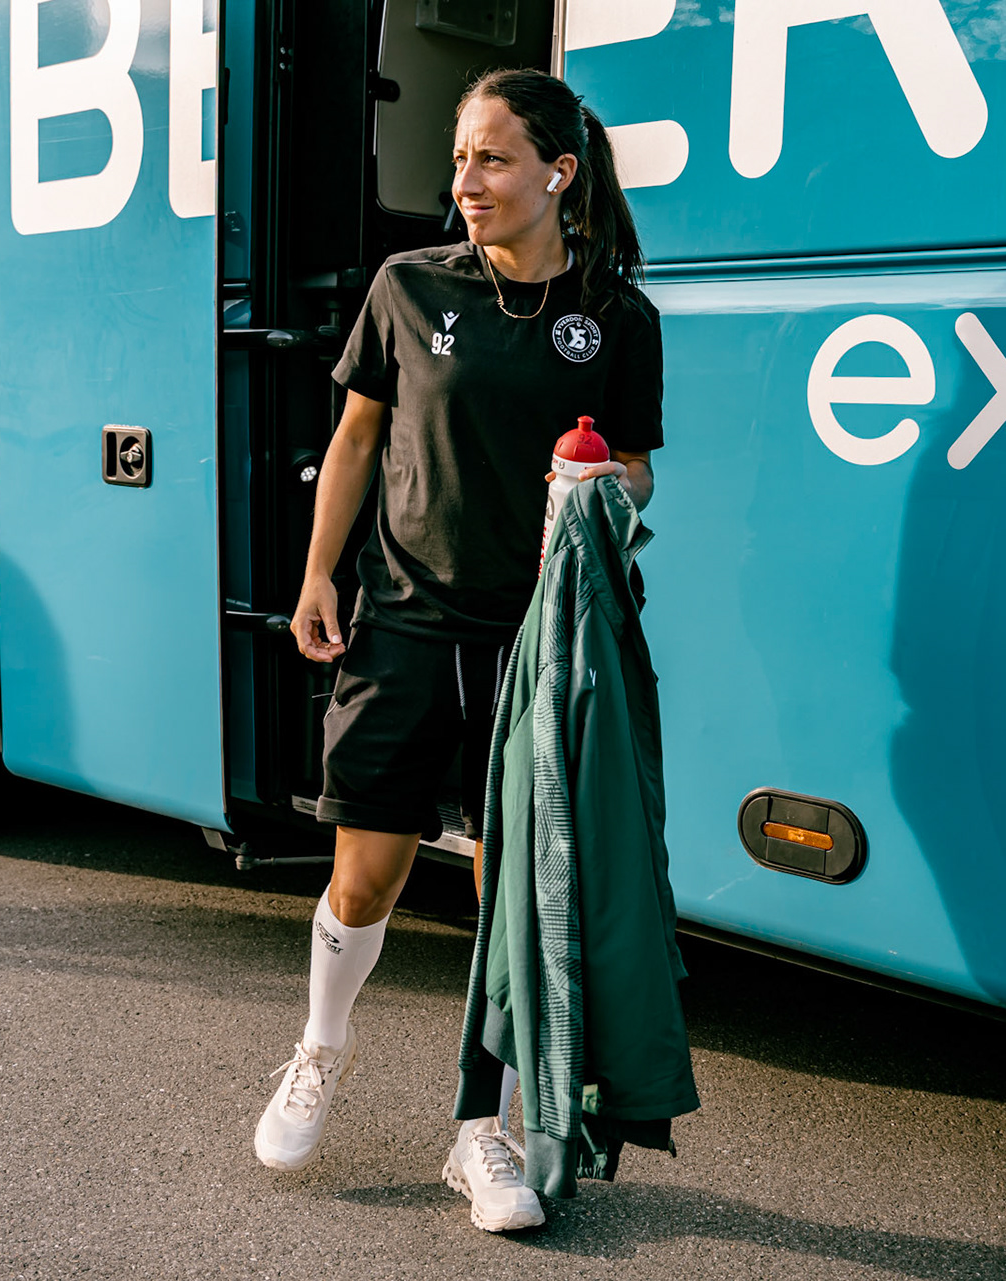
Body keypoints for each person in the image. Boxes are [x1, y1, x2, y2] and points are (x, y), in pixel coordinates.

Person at [251, 68, 664, 1232]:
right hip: (406, 620)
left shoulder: (616, 317)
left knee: (512, 899)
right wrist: (320, 572)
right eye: (460, 158)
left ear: (557, 174)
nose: (465, 180)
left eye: (490, 158)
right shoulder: (406, 286)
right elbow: (355, 440)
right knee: (365, 874)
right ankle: (318, 1054)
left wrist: (603, 477)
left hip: (538, 643)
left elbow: (637, 467)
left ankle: (483, 1129)